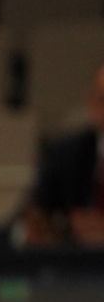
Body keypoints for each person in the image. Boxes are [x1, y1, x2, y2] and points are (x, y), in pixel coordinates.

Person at [18, 64, 104, 247]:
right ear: (92, 104)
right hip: (76, 257)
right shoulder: (66, 153)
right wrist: (60, 229)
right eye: (103, 99)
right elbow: (37, 215)